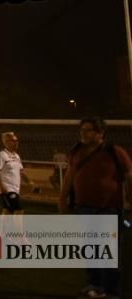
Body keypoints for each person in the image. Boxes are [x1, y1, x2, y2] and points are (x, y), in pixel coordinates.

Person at [58, 117, 131, 299]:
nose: (83, 133)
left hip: (110, 208)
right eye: (82, 129)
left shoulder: (115, 151)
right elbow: (69, 175)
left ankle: (113, 290)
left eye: (88, 130)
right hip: (84, 208)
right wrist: (62, 198)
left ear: (100, 133)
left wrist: (131, 198)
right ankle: (96, 284)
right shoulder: (76, 151)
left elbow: (129, 176)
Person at [0, 131, 33, 218]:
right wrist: (2, 186)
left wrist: (29, 182)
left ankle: (2, 232)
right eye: (13, 140)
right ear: (6, 142)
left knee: (7, 211)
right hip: (7, 189)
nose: (16, 142)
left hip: (15, 189)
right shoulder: (1, 156)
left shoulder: (17, 156)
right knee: (19, 209)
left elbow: (21, 171)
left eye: (16, 140)